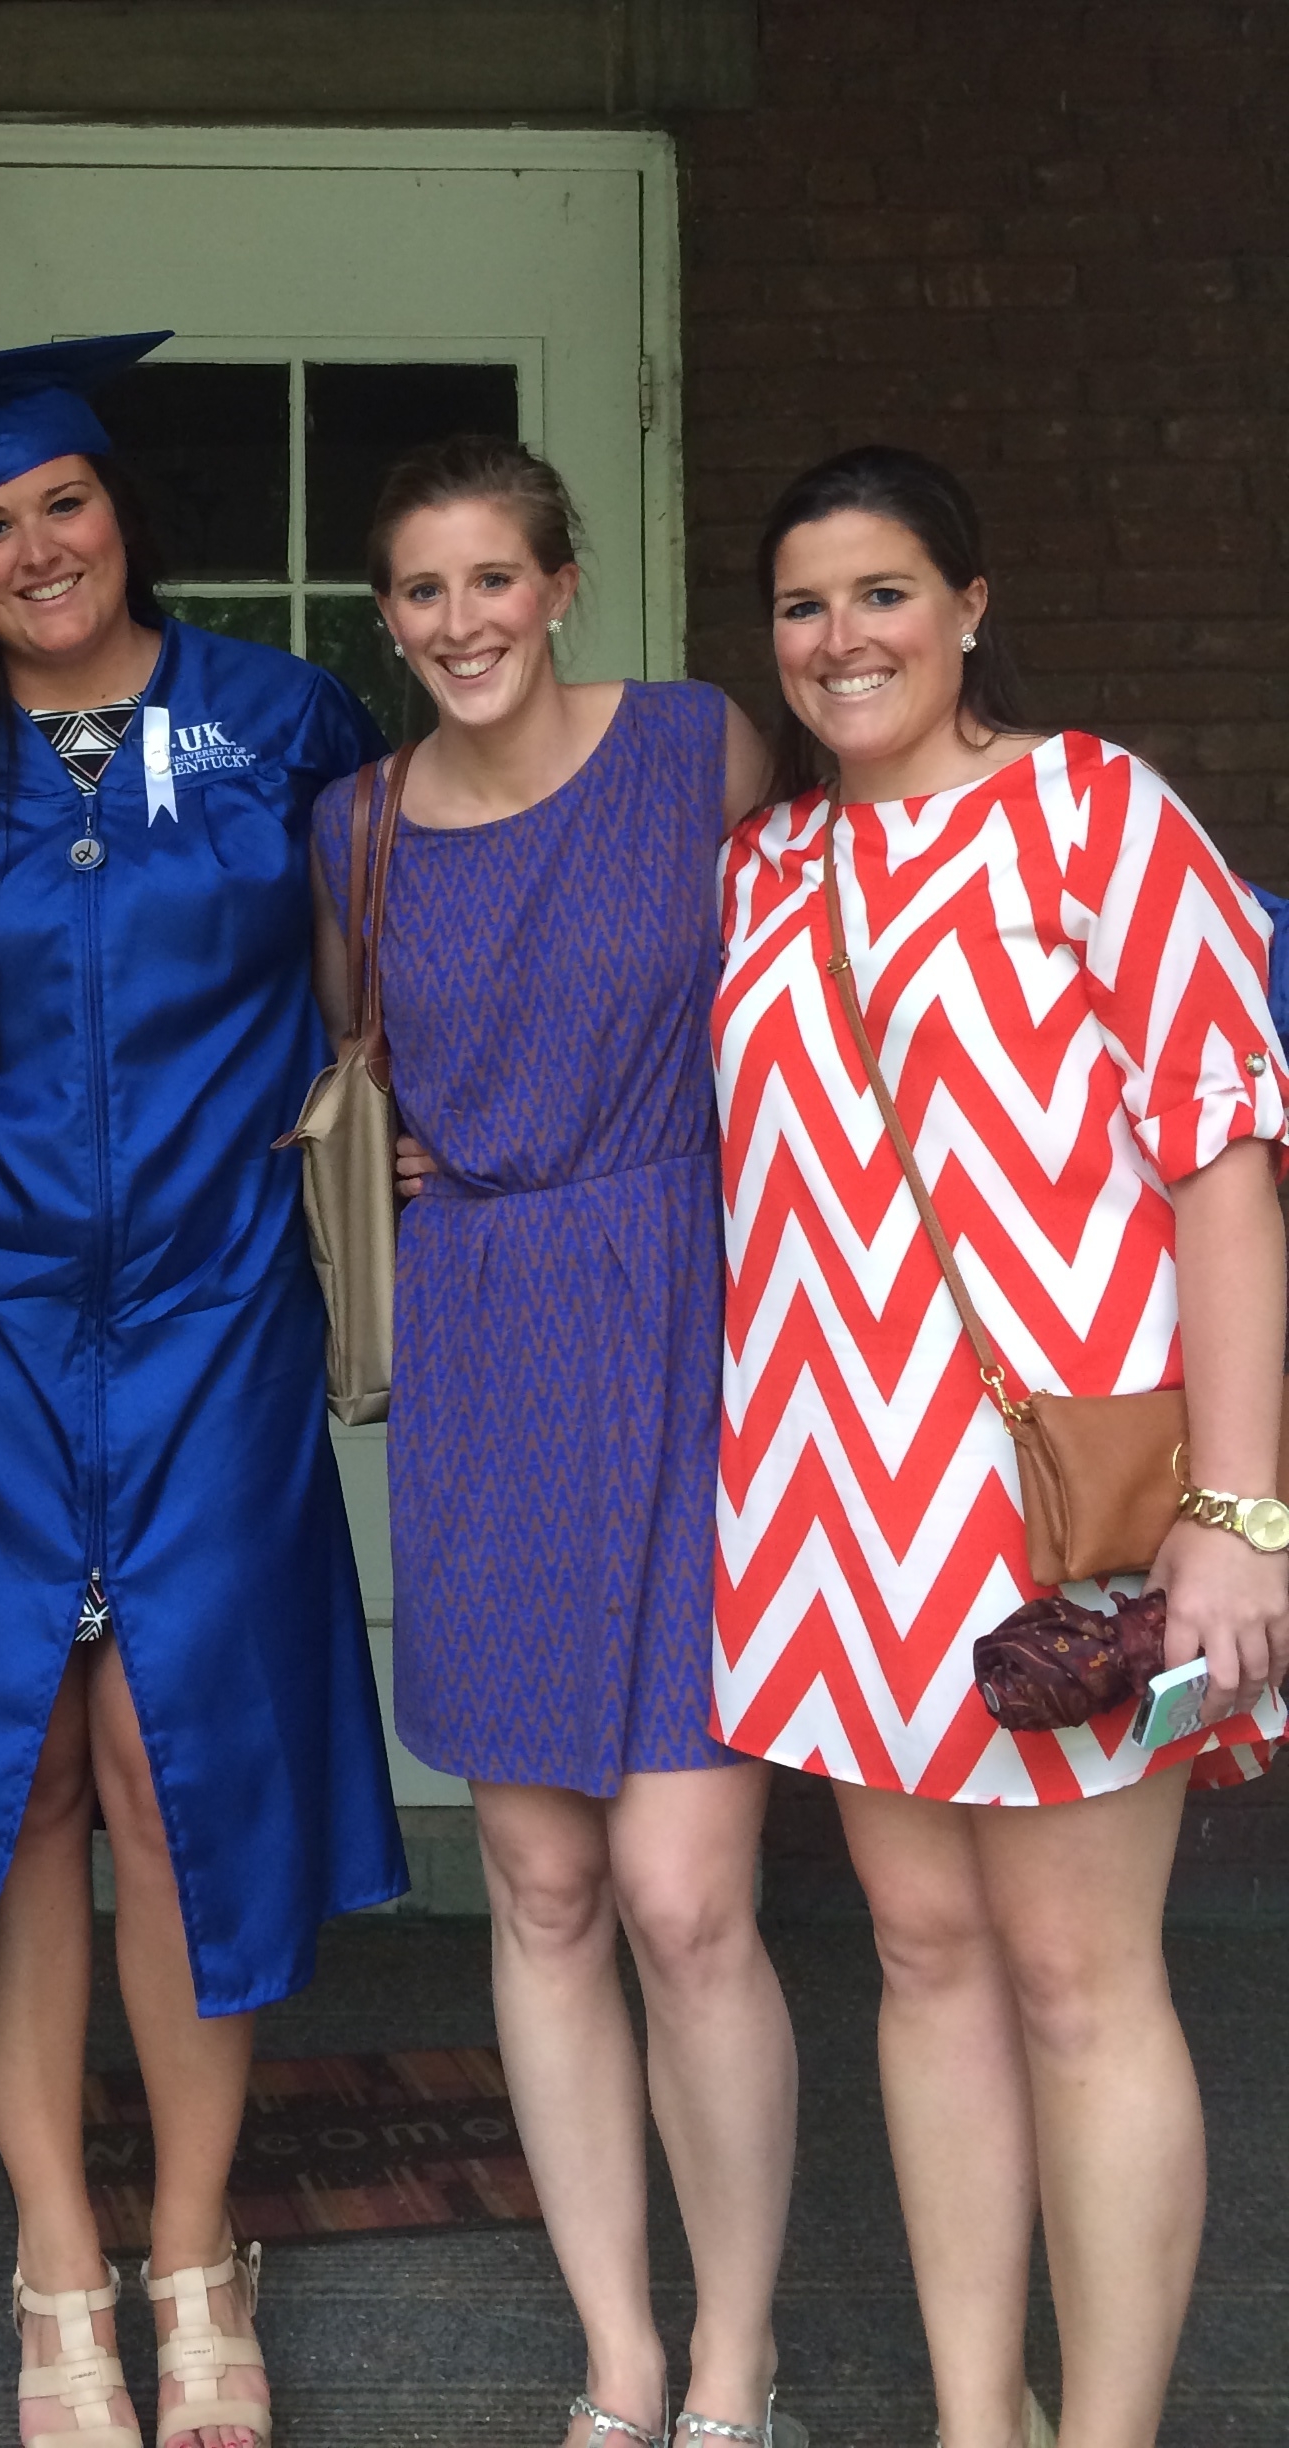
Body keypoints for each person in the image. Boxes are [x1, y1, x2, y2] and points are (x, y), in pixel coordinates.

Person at [0, 332, 408, 2448]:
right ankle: (56, 2260)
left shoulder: (282, 723)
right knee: (24, 1788)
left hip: (212, 1322)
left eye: (59, 504)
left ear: (119, 507)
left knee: (181, 1782)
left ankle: (195, 2253)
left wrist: (406, 1132)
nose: (32, 549)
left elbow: (377, 987)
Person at [714, 444, 1289, 2448]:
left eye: (885, 593)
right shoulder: (763, 873)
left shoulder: (1094, 813)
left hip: (1072, 1511)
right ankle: (982, 2416)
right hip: (832, 1498)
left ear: (970, 605)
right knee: (928, 1951)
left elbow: (1227, 1170)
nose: (841, 637)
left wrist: (1240, 1517)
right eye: (803, 604)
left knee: (1076, 1975)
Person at [365, 436, 802, 2448]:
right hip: (483, 1351)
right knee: (541, 1886)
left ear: (561, 583)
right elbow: (350, 1079)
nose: (460, 622)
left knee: (689, 1893)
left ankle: (740, 2350)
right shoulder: (351, 834)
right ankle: (622, 2350)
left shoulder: (697, 748)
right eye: (421, 593)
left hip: (695, 1323)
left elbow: (816, 974)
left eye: (491, 581)